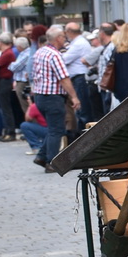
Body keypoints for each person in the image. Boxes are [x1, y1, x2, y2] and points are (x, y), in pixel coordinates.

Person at [31, 26, 79, 172]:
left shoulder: (40, 52)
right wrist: (74, 96)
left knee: (52, 128)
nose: (65, 39)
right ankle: (51, 162)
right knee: (57, 130)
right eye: (64, 37)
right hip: (52, 97)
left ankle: (41, 156)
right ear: (58, 38)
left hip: (40, 96)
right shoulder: (55, 55)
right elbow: (64, 78)